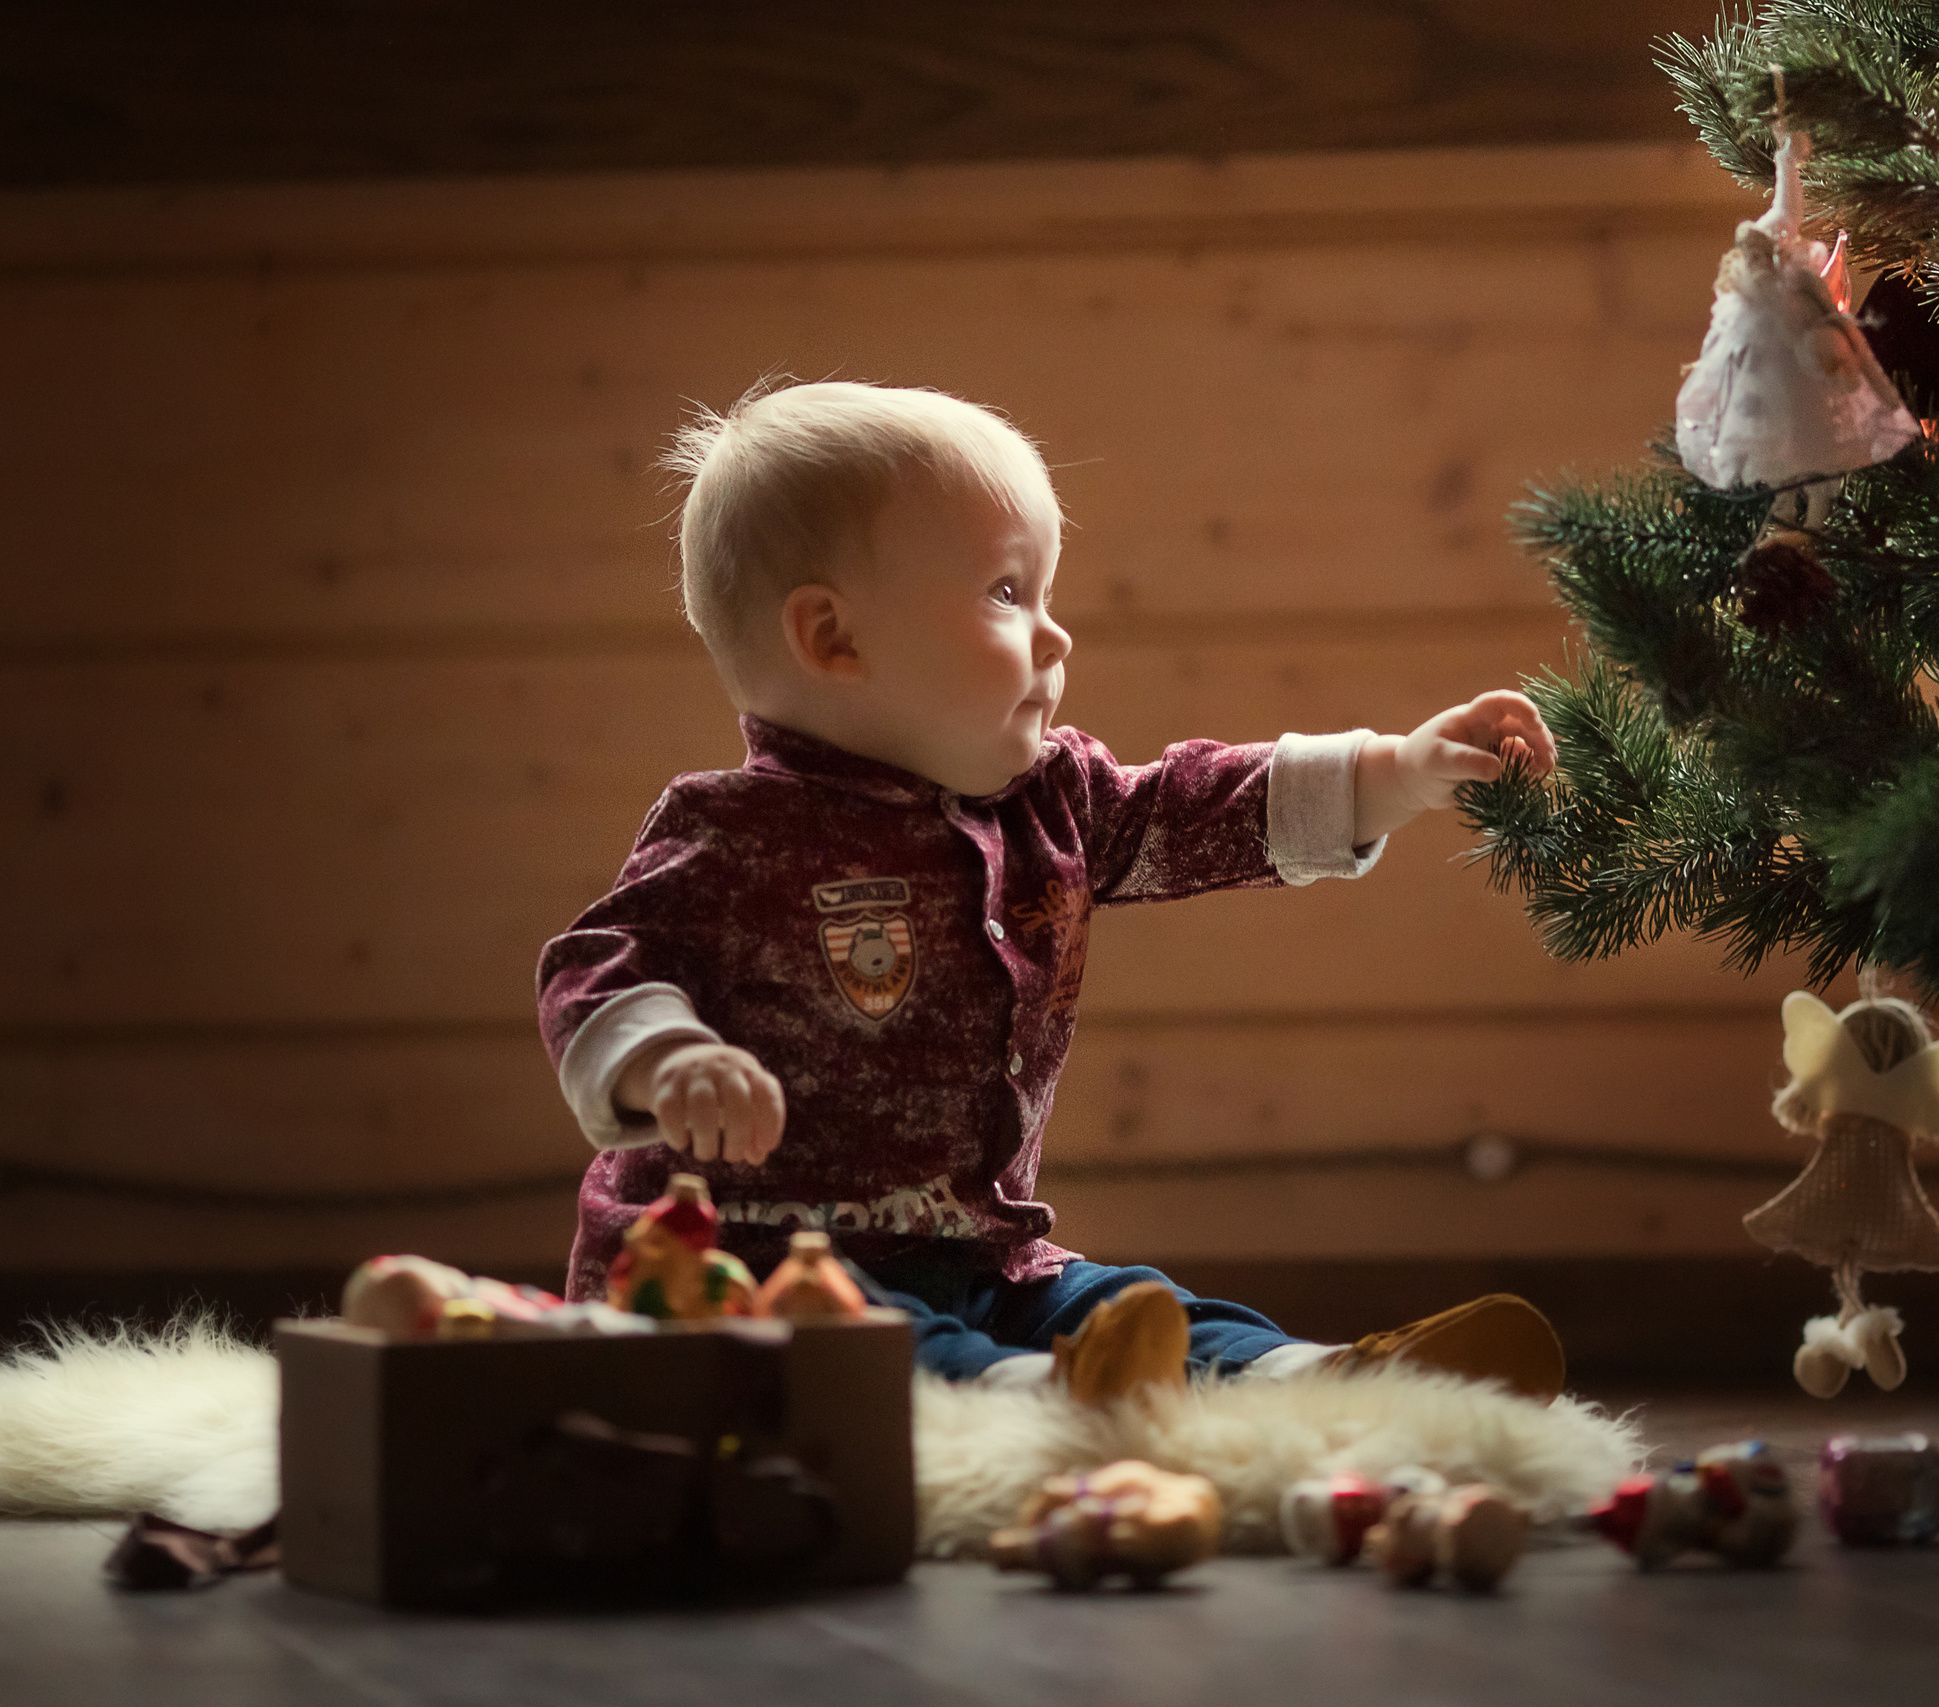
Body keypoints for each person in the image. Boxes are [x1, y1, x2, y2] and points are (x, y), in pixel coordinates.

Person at [537, 380, 1567, 1403]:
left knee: (1120, 1300)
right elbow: (597, 968)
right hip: (753, 1266)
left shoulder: (1049, 801)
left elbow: (1200, 806)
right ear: (834, 640)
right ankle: (1040, 1400)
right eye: (1005, 593)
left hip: (990, 1258)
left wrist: (1402, 769)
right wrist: (666, 1057)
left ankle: (1311, 1376)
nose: (1054, 636)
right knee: (858, 1342)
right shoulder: (732, 834)